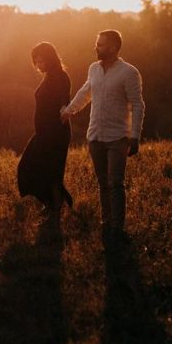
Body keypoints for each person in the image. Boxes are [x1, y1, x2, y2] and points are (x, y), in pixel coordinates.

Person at [60, 29, 144, 241]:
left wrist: (135, 136)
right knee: (103, 183)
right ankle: (106, 223)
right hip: (95, 136)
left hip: (118, 138)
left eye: (100, 45)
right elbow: (86, 92)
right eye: (96, 44)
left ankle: (118, 228)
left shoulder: (129, 72)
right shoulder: (93, 69)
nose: (96, 48)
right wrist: (68, 111)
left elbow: (137, 104)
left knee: (115, 183)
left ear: (114, 47)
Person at [17, 42, 73, 222]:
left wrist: (64, 109)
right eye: (36, 62)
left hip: (55, 133)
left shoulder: (61, 77)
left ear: (50, 59)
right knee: (30, 167)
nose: (38, 65)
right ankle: (52, 204)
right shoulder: (49, 76)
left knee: (51, 171)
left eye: (41, 61)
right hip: (43, 133)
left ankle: (54, 210)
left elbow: (64, 100)